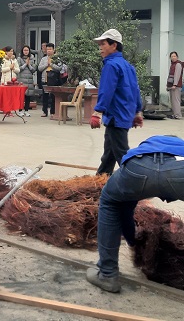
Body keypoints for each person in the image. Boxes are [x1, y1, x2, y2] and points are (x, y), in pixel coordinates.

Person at [86, 135, 184, 293]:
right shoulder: (180, 146)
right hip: (180, 172)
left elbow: (125, 210)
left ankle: (107, 274)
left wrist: (133, 240)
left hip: (138, 168)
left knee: (111, 202)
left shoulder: (148, 144)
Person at [90, 29, 143, 176]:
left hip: (116, 116)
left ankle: (135, 182)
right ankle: (101, 181)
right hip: (123, 115)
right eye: (99, 44)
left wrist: (97, 112)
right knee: (109, 154)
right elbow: (135, 90)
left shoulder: (111, 65)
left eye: (103, 43)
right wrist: (137, 112)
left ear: (114, 45)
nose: (100, 47)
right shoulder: (128, 66)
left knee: (121, 154)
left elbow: (106, 91)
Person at [38, 43, 61, 118]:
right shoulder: (43, 58)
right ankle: (44, 111)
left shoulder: (57, 58)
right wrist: (46, 65)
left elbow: (59, 68)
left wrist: (51, 64)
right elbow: (39, 68)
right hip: (45, 79)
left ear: (53, 50)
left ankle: (52, 112)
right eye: (47, 49)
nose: (48, 51)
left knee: (53, 96)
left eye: (50, 49)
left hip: (54, 80)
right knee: (45, 96)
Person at [17, 45, 36, 116]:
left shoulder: (32, 58)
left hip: (29, 80)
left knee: (28, 96)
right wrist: (25, 64)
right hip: (21, 79)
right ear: (22, 51)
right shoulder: (19, 58)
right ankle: (20, 110)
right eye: (24, 50)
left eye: (27, 50)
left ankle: (26, 110)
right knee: (21, 96)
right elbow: (18, 69)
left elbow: (34, 70)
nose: (26, 52)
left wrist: (29, 65)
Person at [166, 51, 182, 119]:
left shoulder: (178, 64)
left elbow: (177, 75)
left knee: (176, 101)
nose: (173, 57)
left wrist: (175, 85)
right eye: (172, 56)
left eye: (174, 56)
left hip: (176, 86)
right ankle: (175, 114)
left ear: (177, 57)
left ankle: (178, 115)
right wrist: (168, 85)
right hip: (171, 85)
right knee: (173, 101)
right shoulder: (172, 64)